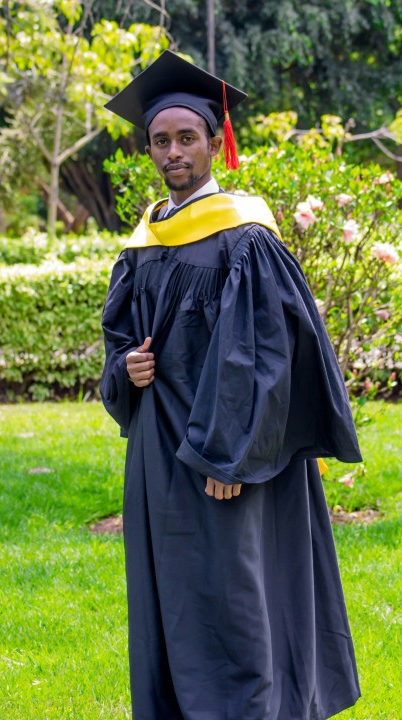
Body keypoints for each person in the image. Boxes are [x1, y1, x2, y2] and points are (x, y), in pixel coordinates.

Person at [101, 50, 362, 720]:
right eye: (161, 140)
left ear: (216, 143)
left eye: (187, 138)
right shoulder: (145, 241)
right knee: (174, 594)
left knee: (234, 595)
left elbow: (265, 353)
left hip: (227, 454)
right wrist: (125, 370)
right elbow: (122, 340)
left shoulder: (244, 236)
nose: (174, 152)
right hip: (159, 452)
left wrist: (233, 453)